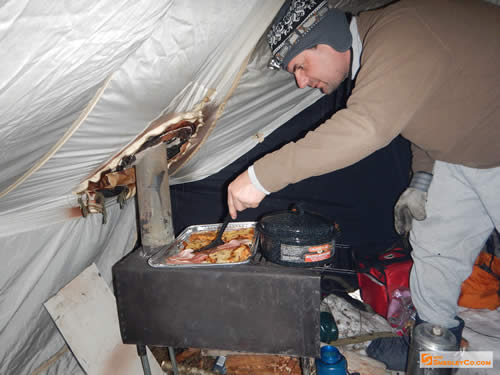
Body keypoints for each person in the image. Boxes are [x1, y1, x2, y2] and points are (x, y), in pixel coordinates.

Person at [226, 0, 500, 370]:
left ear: (327, 41)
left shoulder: (400, 29)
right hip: (464, 157)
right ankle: (437, 360)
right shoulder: (383, 54)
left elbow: (367, 127)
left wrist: (260, 177)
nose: (302, 81)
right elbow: (429, 112)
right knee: (434, 249)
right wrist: (421, 179)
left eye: (301, 66)